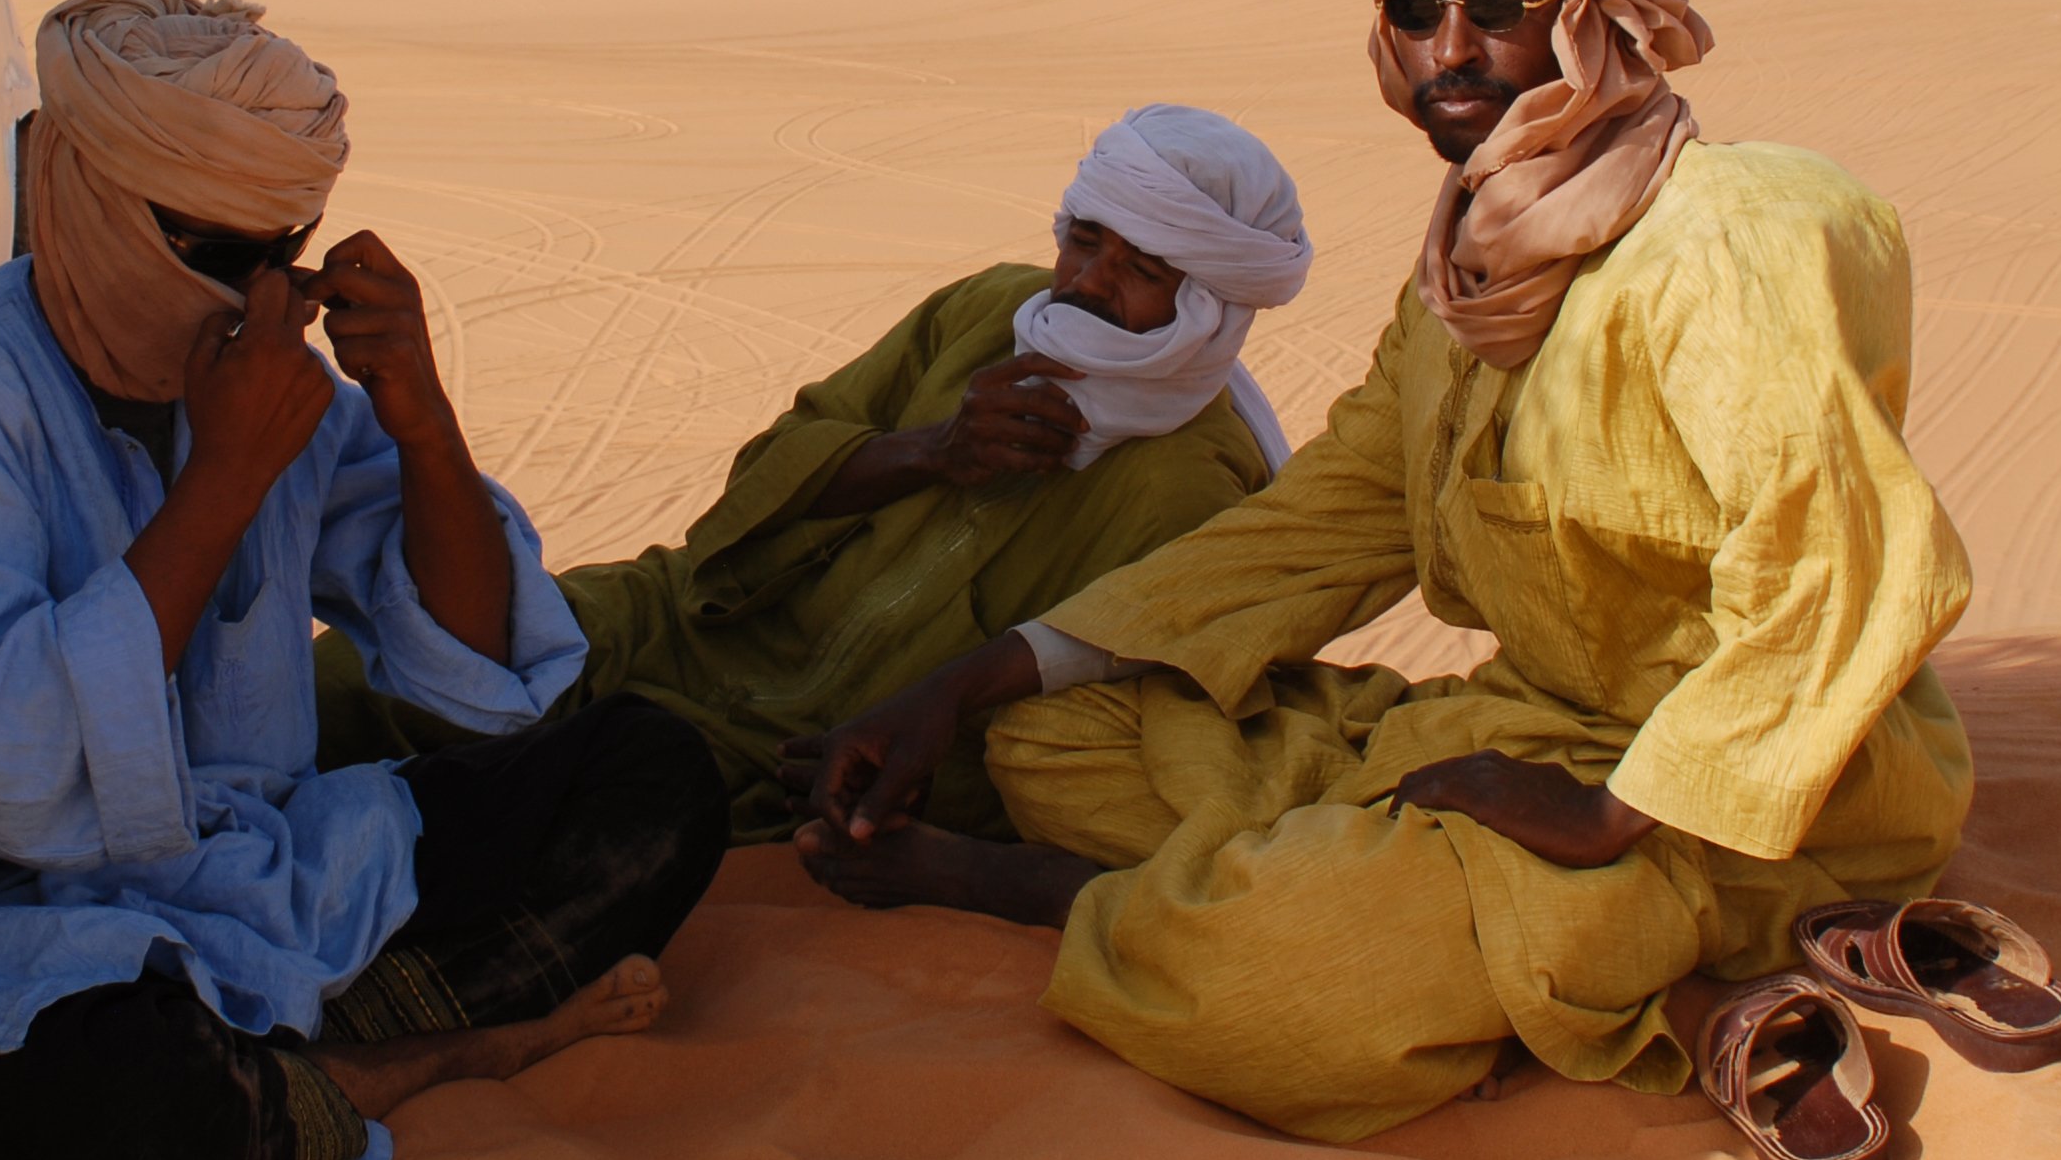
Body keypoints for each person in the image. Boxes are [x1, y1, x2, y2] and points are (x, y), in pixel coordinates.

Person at [787, 0, 1974, 1160]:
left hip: (1745, 788)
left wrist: (1606, 812)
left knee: (1274, 985)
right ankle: (1392, 903)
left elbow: (1848, 564)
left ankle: (1076, 896)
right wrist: (970, 678)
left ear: (1592, 14)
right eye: (1415, 12)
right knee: (1052, 734)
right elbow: (1331, 515)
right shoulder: (1465, 275)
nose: (1448, 53)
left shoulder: (1736, 236)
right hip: (1533, 730)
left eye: (1497, 7)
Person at [0, 0, 728, 1160]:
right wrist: (223, 481)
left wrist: (418, 417)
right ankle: (420, 1055)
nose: (258, 297)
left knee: (651, 778)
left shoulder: (265, 378)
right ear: (80, 194)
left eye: (282, 251)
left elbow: (480, 668)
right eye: (213, 252)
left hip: (255, 893)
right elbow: (5, 775)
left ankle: (290, 1072)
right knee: (98, 1124)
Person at [324, 106, 1317, 839]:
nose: (1089, 283)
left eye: (1141, 270)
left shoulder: (1193, 487)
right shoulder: (986, 311)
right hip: (685, 629)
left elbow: (1086, 717)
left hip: (810, 752)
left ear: (1210, 304)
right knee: (372, 677)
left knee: (521, 817)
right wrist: (933, 450)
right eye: (1084, 242)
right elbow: (762, 484)